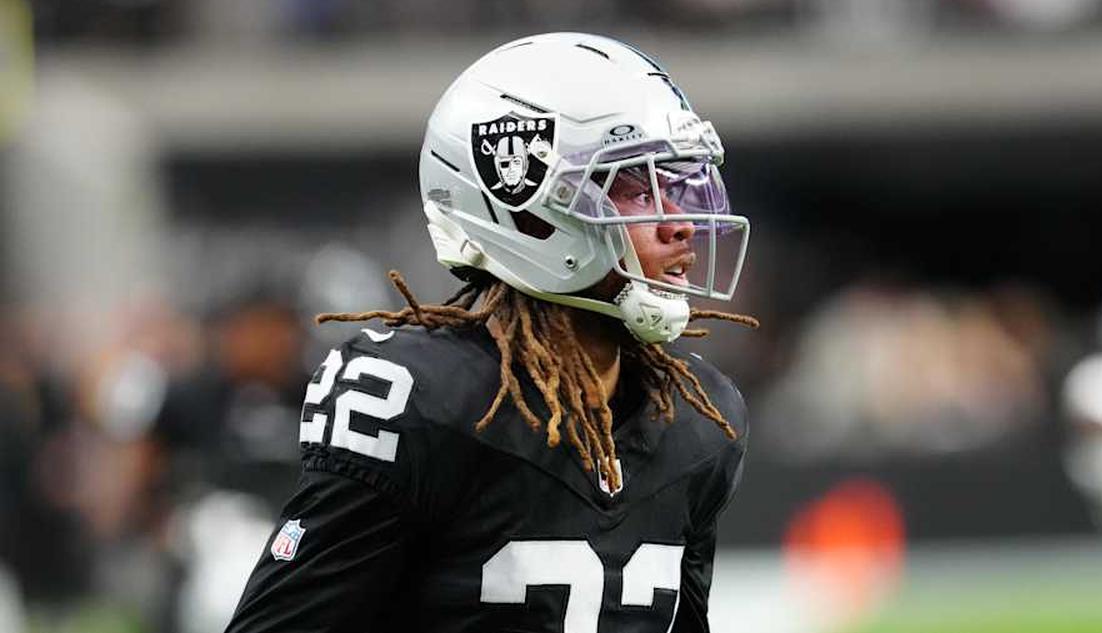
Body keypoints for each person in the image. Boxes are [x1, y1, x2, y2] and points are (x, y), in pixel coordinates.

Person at [225, 32, 757, 633]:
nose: (681, 223)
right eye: (637, 189)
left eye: (679, 185)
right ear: (525, 206)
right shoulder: (420, 401)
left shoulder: (699, 419)